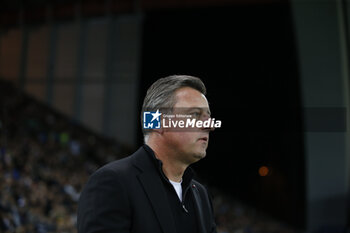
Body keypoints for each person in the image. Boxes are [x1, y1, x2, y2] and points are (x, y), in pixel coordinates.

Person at [77, 75, 217, 233]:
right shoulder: (113, 182)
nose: (209, 125)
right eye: (195, 114)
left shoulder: (200, 194)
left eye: (208, 116)